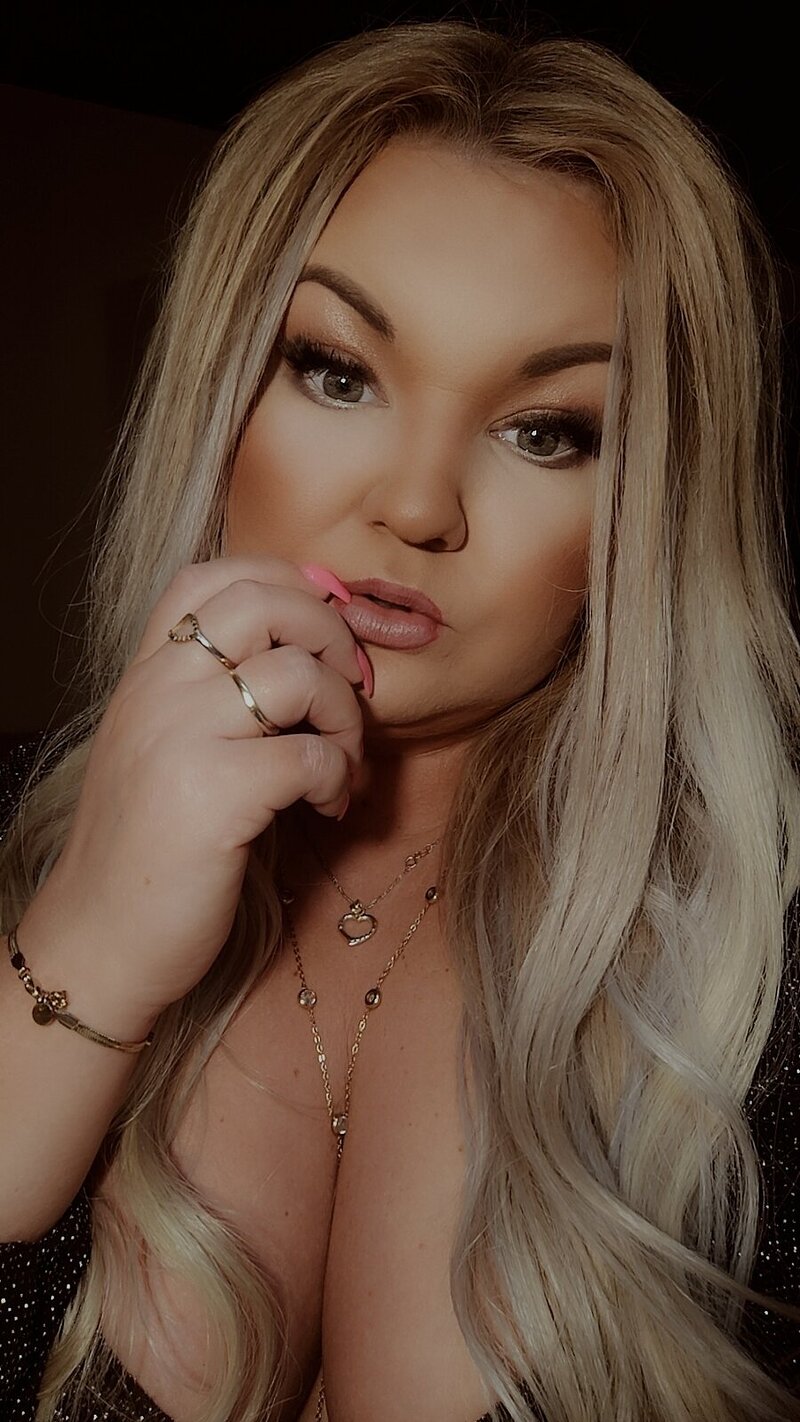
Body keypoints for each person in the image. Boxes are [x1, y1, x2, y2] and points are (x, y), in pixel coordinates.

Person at [1, 16, 799, 1422]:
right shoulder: (17, 834)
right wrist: (84, 947)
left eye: (548, 430)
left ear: (650, 509)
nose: (420, 505)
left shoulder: (753, 962)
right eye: (337, 369)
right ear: (223, 389)